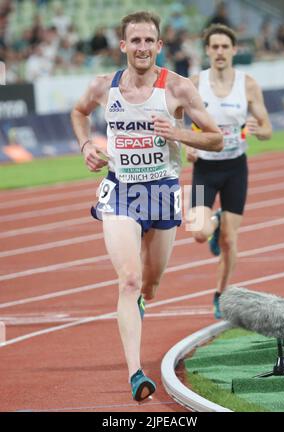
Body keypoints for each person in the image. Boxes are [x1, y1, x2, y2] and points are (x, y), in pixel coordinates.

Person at [71, 11, 223, 402]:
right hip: (120, 191)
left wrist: (178, 133)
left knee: (151, 286)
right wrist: (87, 145)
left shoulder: (178, 88)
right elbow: (79, 112)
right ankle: (136, 373)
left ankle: (142, 299)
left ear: (159, 45)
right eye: (134, 40)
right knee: (129, 279)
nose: (141, 47)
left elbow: (217, 139)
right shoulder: (105, 86)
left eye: (148, 41)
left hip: (162, 191)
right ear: (123, 45)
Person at [187, 24, 272, 320]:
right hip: (203, 169)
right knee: (198, 232)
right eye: (215, 47)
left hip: (236, 168)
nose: (220, 52)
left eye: (225, 47)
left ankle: (221, 297)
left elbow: (267, 128)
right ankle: (215, 219)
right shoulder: (195, 83)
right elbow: (174, 119)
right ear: (207, 50)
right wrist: (188, 144)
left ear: (234, 50)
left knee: (229, 240)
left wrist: (257, 129)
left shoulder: (247, 84)